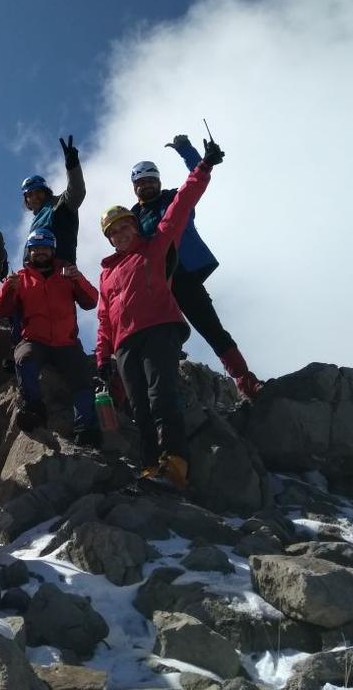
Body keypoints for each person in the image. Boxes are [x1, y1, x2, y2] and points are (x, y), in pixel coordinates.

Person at [95, 138, 226, 492]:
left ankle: (176, 465)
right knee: (138, 407)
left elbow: (182, 203)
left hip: (158, 330)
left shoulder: (156, 245)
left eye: (125, 227)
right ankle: (151, 466)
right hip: (124, 344)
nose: (121, 234)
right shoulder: (107, 272)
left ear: (134, 227)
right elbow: (104, 319)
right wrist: (102, 358)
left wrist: (203, 166)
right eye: (113, 232)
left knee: (161, 397)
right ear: (109, 239)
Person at [130, 137, 263, 399]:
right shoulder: (132, 217)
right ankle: (166, 388)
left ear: (158, 181)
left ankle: (244, 380)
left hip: (185, 276)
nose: (146, 186)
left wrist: (188, 151)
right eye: (140, 183)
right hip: (157, 284)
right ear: (135, 187)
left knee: (211, 328)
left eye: (150, 180)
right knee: (159, 337)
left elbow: (195, 180)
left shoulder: (173, 199)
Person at [0, 228, 101, 447]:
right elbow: (0, 311)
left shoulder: (67, 274)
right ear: (29, 252)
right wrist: (7, 289)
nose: (40, 252)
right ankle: (34, 409)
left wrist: (77, 278)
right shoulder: (20, 278)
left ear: (52, 250)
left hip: (66, 341)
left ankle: (86, 427)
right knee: (24, 360)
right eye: (35, 249)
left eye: (44, 248)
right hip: (34, 339)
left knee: (81, 377)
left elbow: (91, 301)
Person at [21, 135, 85, 265]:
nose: (34, 197)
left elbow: (77, 192)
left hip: (61, 270)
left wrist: (72, 166)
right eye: (30, 194)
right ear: (26, 200)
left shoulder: (60, 205)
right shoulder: (35, 221)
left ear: (46, 192)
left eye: (38, 191)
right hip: (36, 276)